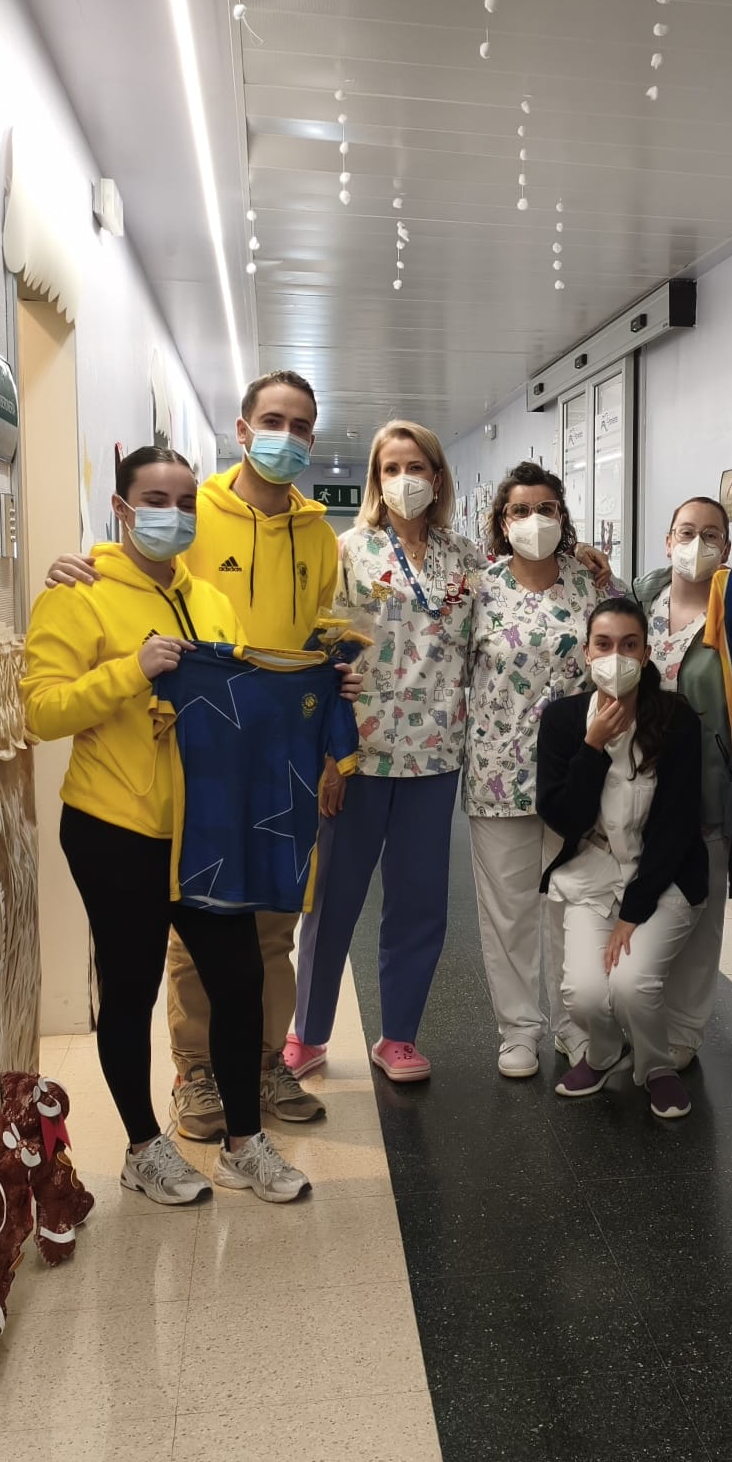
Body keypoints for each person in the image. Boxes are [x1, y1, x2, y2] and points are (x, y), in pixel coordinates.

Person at [45, 369, 346, 1142]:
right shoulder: (198, 512)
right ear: (242, 430)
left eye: (301, 425)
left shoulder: (318, 536)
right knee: (195, 935)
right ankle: (196, 1073)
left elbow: (324, 634)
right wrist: (74, 566)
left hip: (274, 755)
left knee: (271, 927)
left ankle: (264, 1063)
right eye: (272, 421)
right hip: (189, 768)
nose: (286, 437)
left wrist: (328, 726)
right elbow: (133, 576)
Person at [22, 446, 310, 1204]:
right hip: (115, 827)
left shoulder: (210, 600)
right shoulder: (79, 593)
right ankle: (143, 1147)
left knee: (238, 980)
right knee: (131, 988)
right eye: (155, 500)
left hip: (206, 831)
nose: (173, 515)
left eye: (186, 502)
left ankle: (243, 1144)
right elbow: (40, 711)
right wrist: (133, 671)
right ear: (121, 508)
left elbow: (242, 701)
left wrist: (318, 691)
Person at [289, 421, 476, 1083]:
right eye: (391, 467)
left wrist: (586, 563)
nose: (405, 479)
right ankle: (309, 1032)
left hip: (434, 755)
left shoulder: (466, 559)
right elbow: (324, 656)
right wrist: (329, 757)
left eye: (416, 466)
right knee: (332, 900)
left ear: (438, 476)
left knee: (419, 902)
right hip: (358, 755)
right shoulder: (349, 551)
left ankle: (398, 1035)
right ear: (375, 478)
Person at [464, 463, 612, 1077]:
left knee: (570, 905)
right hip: (497, 769)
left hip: (576, 770)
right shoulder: (479, 588)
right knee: (508, 911)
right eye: (520, 510)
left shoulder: (591, 585)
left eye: (546, 508)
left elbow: (621, 654)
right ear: (502, 522)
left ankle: (574, 1026)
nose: (534, 520)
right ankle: (519, 1030)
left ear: (563, 515)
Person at [538, 599, 708, 1119]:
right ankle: (604, 1052)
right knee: (584, 994)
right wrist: (592, 747)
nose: (616, 657)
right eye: (604, 644)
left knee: (631, 986)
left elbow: (677, 824)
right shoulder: (564, 720)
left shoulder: (675, 718)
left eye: (629, 645)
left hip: (664, 877)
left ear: (646, 654)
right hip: (592, 872)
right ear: (587, 653)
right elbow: (562, 816)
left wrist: (633, 912)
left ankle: (656, 1067)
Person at [630, 497, 732, 1067]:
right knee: (635, 904)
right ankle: (632, 1018)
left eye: (711, 534)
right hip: (635, 781)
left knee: (699, 910)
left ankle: (684, 1032)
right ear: (668, 541)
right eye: (687, 532)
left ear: (727, 548)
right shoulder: (640, 602)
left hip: (704, 789)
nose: (698, 544)